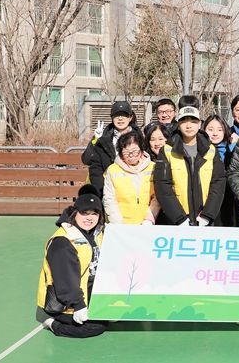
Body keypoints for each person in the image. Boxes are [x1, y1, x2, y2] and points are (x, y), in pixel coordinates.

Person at [36, 191, 106, 338]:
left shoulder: (98, 233)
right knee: (94, 327)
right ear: (75, 213)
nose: (89, 218)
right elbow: (65, 280)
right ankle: (52, 322)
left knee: (116, 316)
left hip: (89, 291)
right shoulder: (63, 242)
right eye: (84, 213)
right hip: (65, 301)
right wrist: (78, 305)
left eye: (94, 213)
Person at [154, 103, 227, 226]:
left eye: (193, 122)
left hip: (204, 218)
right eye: (184, 121)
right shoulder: (167, 151)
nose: (188, 126)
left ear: (199, 124)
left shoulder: (210, 150)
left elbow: (218, 183)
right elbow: (163, 187)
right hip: (177, 221)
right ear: (178, 124)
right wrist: (179, 218)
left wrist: (207, 215)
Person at [81, 101, 143, 197]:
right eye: (117, 115)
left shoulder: (140, 138)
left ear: (130, 118)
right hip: (108, 189)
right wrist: (96, 139)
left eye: (124, 115)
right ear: (112, 118)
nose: (120, 118)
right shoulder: (104, 138)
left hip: (134, 190)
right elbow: (88, 161)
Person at [103, 131, 159, 225]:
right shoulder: (113, 170)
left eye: (135, 150)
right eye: (126, 151)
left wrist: (149, 219)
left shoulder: (153, 167)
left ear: (141, 150)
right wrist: (118, 223)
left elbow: (157, 197)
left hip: (147, 223)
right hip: (121, 223)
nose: (131, 154)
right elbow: (109, 198)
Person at [203, 114, 236, 227]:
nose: (215, 133)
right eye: (210, 129)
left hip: (227, 200)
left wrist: (233, 148)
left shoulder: (232, 149)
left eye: (219, 129)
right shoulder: (199, 150)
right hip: (206, 200)